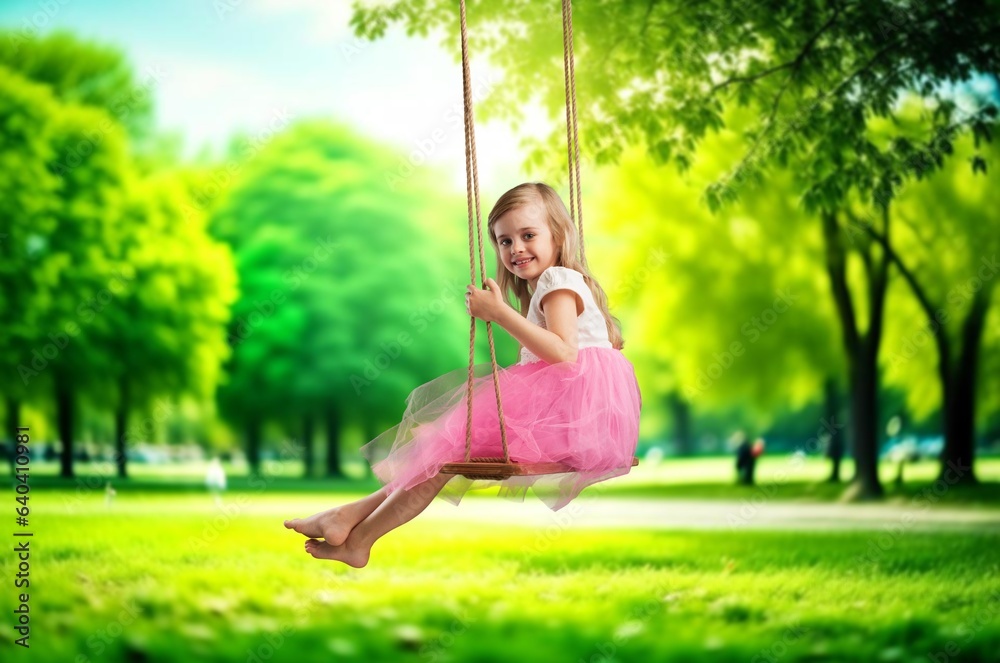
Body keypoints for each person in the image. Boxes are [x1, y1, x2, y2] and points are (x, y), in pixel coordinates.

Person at [283, 182, 643, 567]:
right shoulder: (551, 284)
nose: (516, 248)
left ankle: (356, 531)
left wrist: (499, 314)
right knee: (441, 454)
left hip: (569, 409)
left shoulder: (557, 280)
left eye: (528, 235)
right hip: (578, 411)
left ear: (558, 235)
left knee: (443, 448)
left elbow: (565, 354)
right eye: (505, 241)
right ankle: (351, 522)